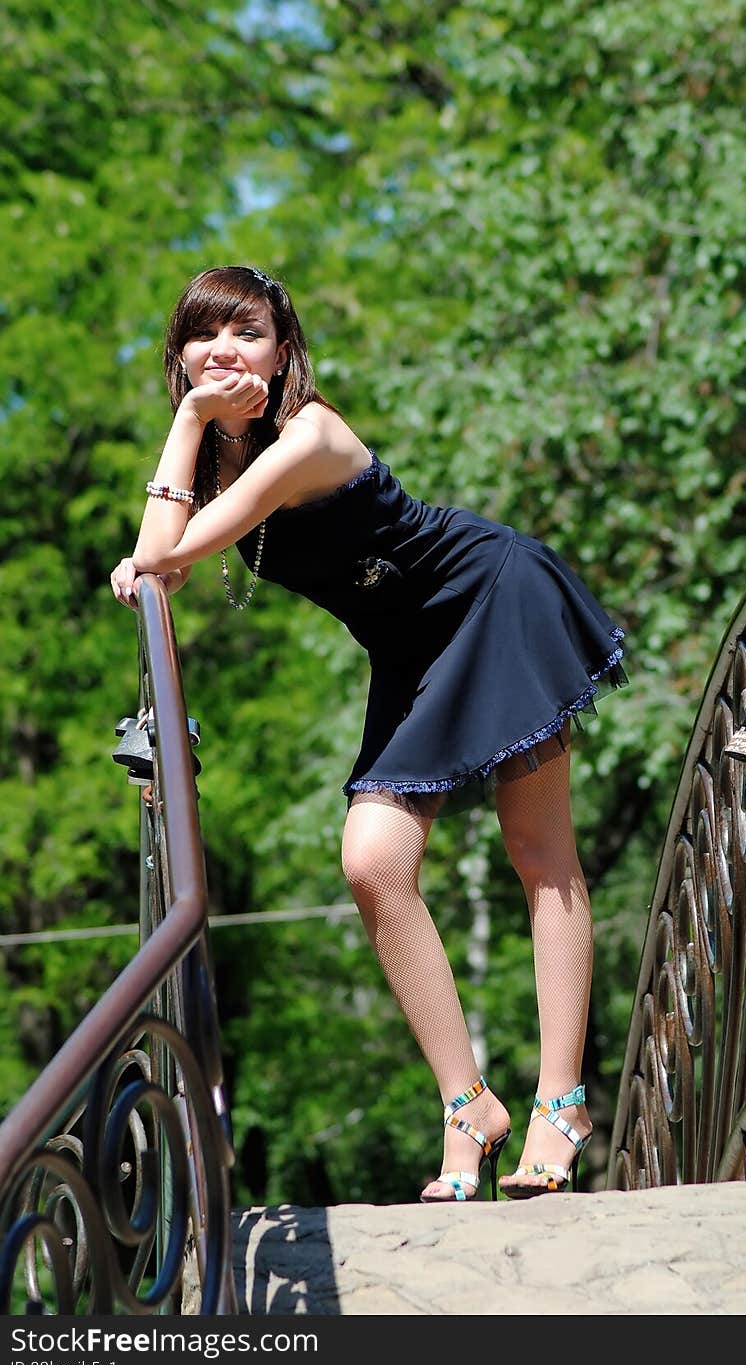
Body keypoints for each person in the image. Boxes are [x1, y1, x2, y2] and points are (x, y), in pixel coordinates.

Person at [110, 265, 629, 1202]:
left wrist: (180, 450)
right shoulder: (223, 461)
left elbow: (159, 550)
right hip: (408, 655)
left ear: (282, 351)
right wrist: (185, 453)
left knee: (539, 850)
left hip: (490, 601)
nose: (224, 350)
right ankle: (467, 1103)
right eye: (203, 334)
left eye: (249, 332)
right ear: (180, 353)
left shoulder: (305, 435)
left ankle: (561, 1105)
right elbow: (165, 552)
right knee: (372, 863)